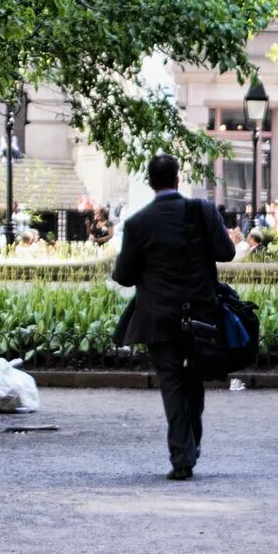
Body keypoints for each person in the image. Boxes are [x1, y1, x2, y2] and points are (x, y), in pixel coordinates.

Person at [111, 153, 235, 479]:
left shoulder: (138, 223)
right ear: (178, 179)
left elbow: (123, 276)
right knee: (194, 381)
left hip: (159, 317)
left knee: (172, 385)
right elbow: (227, 252)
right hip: (201, 314)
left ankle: (183, 456)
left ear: (150, 183)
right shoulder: (202, 211)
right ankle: (188, 447)